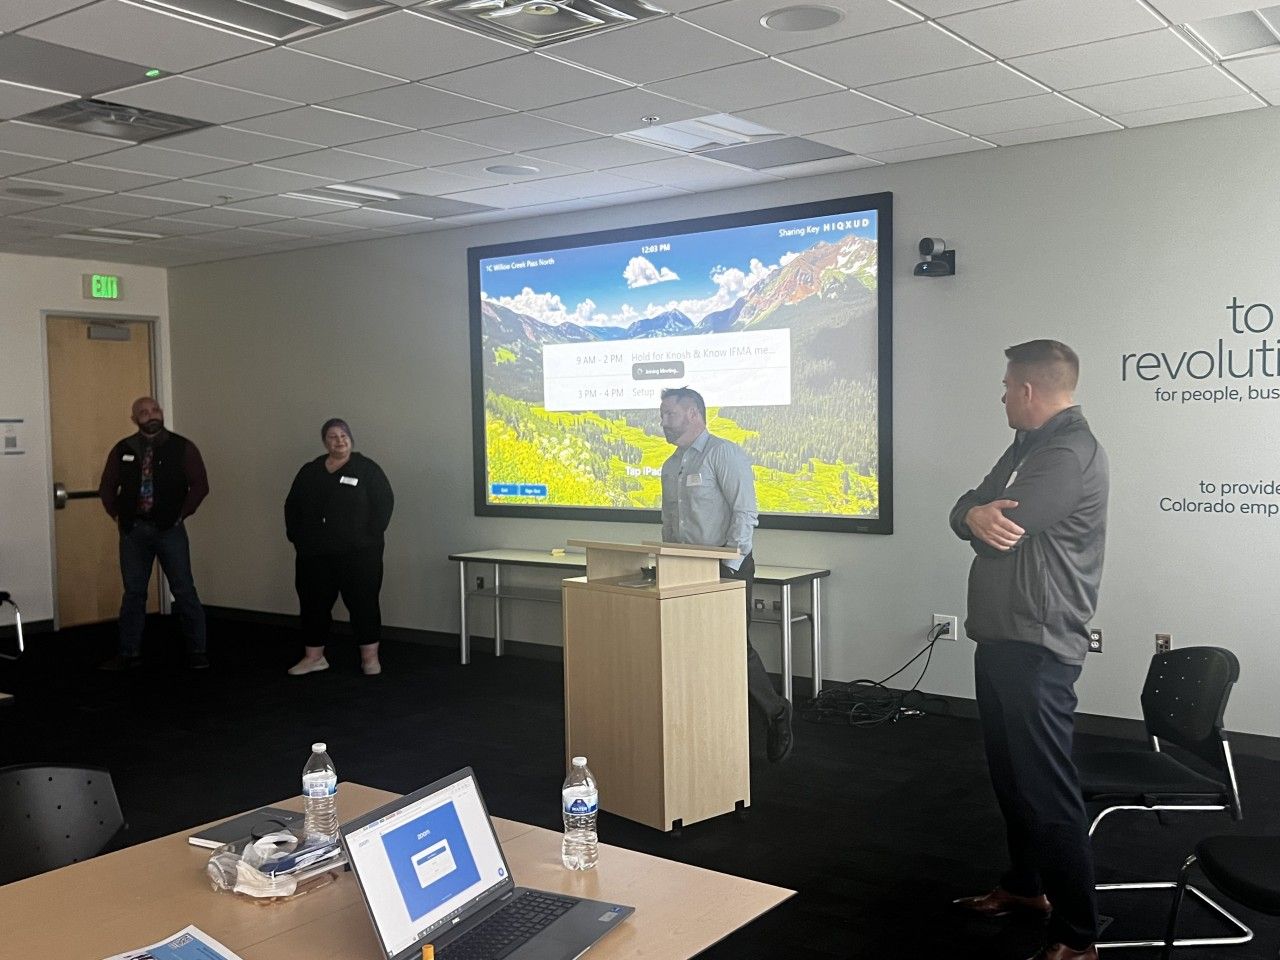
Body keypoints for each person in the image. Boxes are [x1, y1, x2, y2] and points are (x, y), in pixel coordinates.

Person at [948, 341, 1109, 960]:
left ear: (1029, 390)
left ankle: (1078, 934)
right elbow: (967, 505)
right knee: (1012, 777)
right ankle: (1024, 887)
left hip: (1038, 645)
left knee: (1046, 787)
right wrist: (970, 516)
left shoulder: (1067, 452)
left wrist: (975, 520)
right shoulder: (1028, 446)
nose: (1002, 395)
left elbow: (999, 537)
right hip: (1005, 637)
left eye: (1006, 385)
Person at [658, 386, 793, 763]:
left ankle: (776, 712)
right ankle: (711, 724)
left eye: (669, 413)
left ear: (692, 414)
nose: (663, 421)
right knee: (691, 646)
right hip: (683, 568)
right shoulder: (672, 464)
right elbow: (670, 521)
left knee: (731, 646)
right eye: (662, 414)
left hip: (726, 566)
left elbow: (744, 513)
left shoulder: (723, 453)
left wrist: (729, 568)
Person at [98, 396, 210, 671]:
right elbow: (107, 487)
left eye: (155, 410)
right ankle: (129, 652)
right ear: (135, 419)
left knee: (183, 590)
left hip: (169, 530)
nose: (151, 415)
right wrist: (118, 516)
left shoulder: (182, 447)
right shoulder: (123, 448)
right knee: (134, 593)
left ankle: (198, 650)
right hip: (133, 531)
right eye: (144, 413)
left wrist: (181, 514)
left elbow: (199, 486)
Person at [284, 418, 394, 676]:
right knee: (313, 604)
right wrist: (298, 538)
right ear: (325, 442)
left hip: (359, 555)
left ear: (351, 439)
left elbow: (384, 503)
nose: (339, 440)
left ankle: (370, 659)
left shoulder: (367, 469)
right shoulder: (310, 471)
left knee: (363, 604)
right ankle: (314, 658)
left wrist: (368, 536)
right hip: (315, 555)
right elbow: (292, 505)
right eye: (332, 436)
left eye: (343, 435)